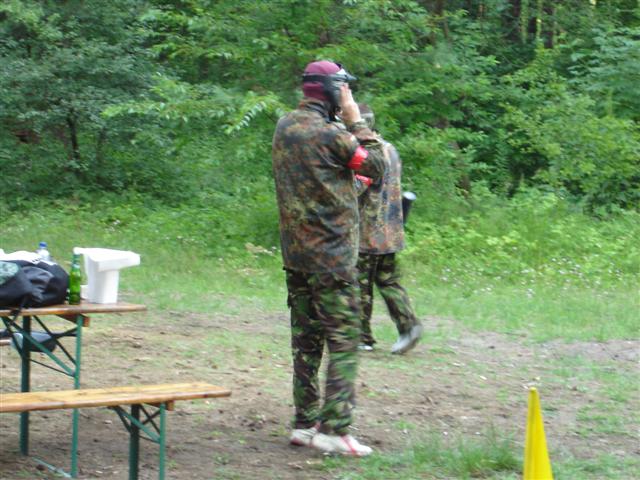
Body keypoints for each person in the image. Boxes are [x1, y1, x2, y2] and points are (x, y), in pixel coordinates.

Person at [272, 61, 387, 456]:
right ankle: (334, 429)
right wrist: (357, 121)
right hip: (332, 257)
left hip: (297, 256)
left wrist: (351, 186)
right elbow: (377, 164)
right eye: (345, 91)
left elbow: (323, 184)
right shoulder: (333, 134)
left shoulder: (285, 126)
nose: (349, 97)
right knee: (345, 339)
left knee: (305, 342)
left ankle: (304, 423)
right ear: (334, 92)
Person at [355, 104, 423, 354]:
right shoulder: (389, 148)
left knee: (359, 283)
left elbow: (357, 187)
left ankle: (361, 337)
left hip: (367, 230)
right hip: (391, 229)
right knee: (388, 281)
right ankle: (409, 326)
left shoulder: (365, 153)